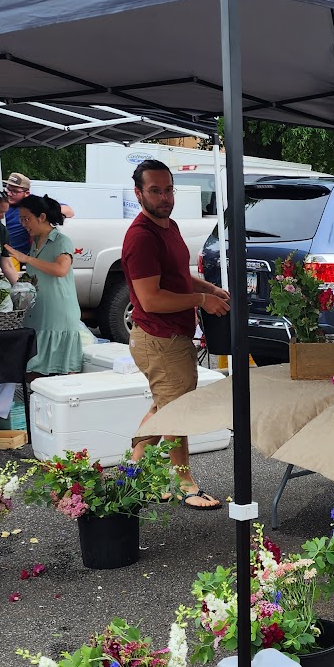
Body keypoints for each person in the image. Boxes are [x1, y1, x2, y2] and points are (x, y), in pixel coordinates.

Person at [123, 160, 230, 510]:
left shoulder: (168, 226)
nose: (164, 197)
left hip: (170, 337)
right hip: (159, 338)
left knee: (163, 408)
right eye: (155, 190)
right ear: (139, 193)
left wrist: (209, 287)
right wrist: (201, 299)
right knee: (177, 411)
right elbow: (151, 299)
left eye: (168, 189)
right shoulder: (141, 237)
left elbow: (176, 276)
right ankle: (185, 483)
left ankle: (132, 474)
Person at [7, 194, 85, 376]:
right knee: (35, 370)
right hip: (39, 313)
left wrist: (26, 259)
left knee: (61, 373)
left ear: (42, 217)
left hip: (58, 314)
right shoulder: (35, 241)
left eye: (26, 219)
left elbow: (60, 269)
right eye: (21, 219)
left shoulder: (61, 241)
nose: (23, 224)